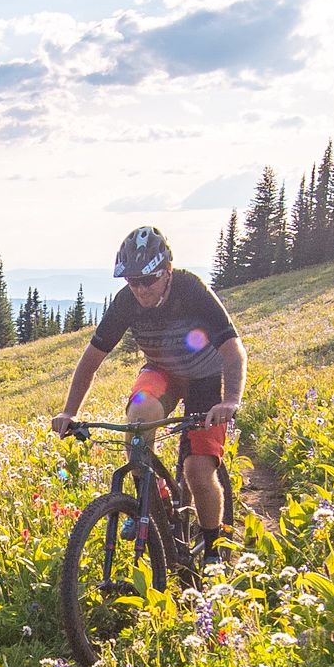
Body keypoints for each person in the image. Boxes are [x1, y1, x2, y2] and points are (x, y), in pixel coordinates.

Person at [49, 224, 247, 545]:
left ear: (167, 270)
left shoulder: (192, 290)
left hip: (205, 378)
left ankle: (212, 547)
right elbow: (91, 360)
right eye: (133, 280)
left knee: (197, 471)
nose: (140, 289)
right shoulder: (126, 301)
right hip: (161, 371)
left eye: (148, 280)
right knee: (138, 420)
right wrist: (70, 411)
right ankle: (151, 504)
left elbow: (233, 350)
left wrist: (231, 400)